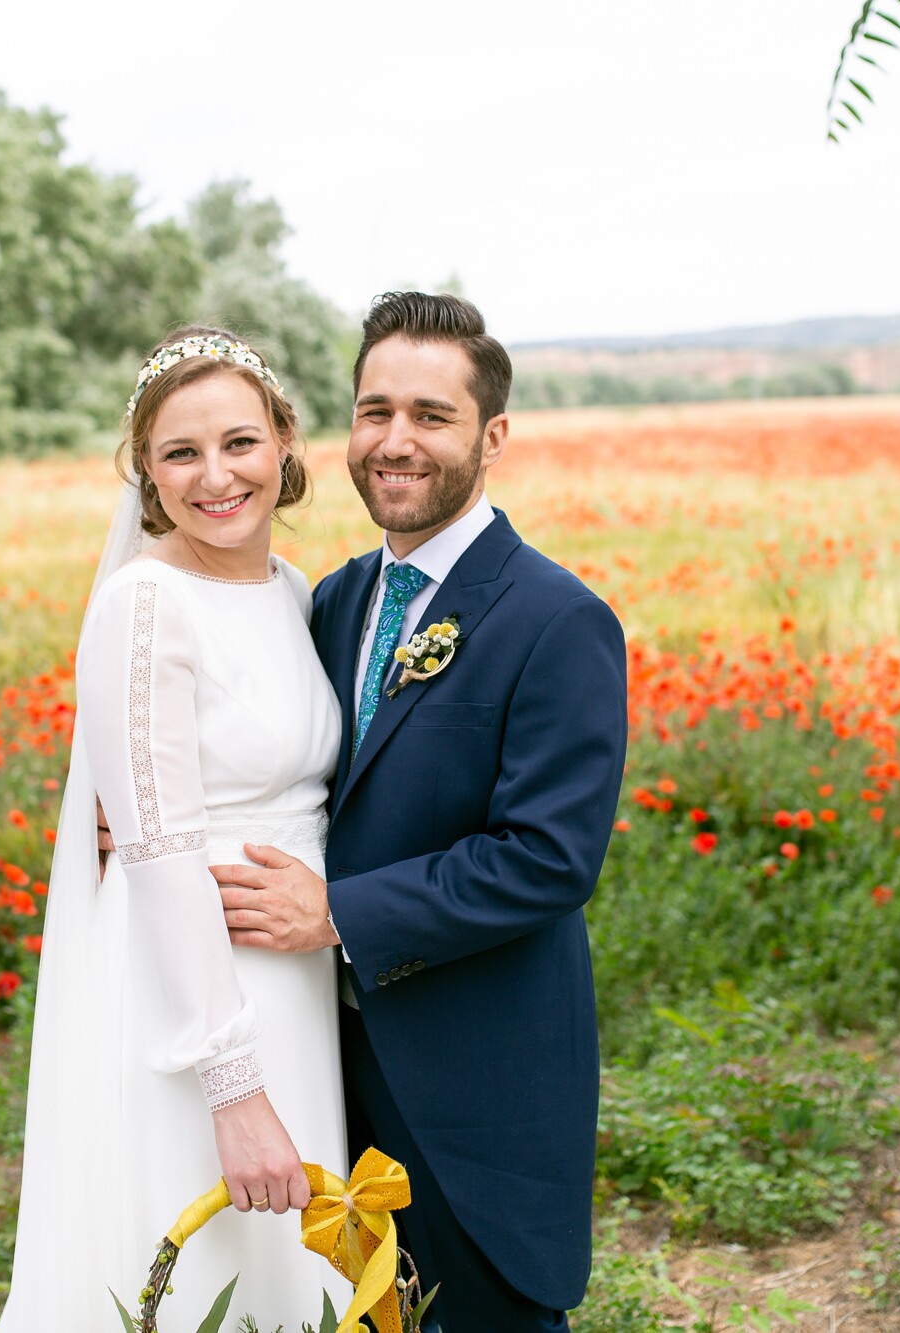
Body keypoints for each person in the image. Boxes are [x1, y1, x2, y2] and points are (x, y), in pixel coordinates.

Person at [213, 292, 627, 1332]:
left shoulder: (556, 619)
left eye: (430, 417)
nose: (395, 442)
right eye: (374, 410)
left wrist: (339, 914)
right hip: (322, 1061)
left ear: (490, 435)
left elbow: (546, 858)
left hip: (475, 1078)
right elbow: (274, 769)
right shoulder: (333, 600)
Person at [0, 327, 351, 1329]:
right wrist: (232, 1088)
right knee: (201, 1264)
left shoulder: (290, 591)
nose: (215, 476)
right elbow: (156, 853)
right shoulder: (144, 604)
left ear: (283, 440)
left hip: (293, 975)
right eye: (179, 453)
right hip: (195, 996)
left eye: (239, 442)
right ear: (144, 472)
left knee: (287, 1266)